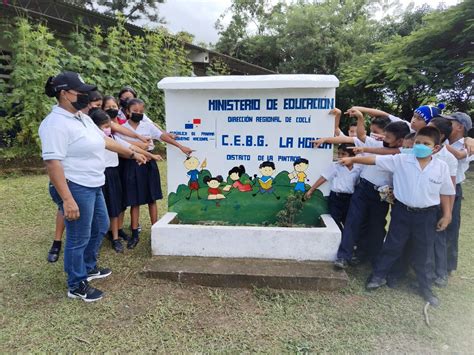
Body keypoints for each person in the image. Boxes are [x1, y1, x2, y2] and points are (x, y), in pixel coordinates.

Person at [40, 71, 147, 302]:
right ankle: (76, 283)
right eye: (80, 92)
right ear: (64, 94)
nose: (85, 96)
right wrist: (67, 199)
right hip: (75, 186)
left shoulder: (82, 117)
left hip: (94, 182)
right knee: (78, 236)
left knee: (101, 225)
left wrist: (132, 152)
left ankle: (88, 266)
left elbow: (104, 140)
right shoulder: (55, 124)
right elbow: (52, 162)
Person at [339, 126, 455, 306]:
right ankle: (378, 276)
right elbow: (375, 160)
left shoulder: (441, 167)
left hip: (427, 215)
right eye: (417, 143)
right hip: (402, 212)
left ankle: (425, 287)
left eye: (426, 144)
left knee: (424, 252)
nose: (420, 146)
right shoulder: (401, 160)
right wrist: (353, 158)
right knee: (392, 245)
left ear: (436, 148)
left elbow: (446, 192)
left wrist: (447, 215)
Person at [334, 108, 410, 269]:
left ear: (400, 140)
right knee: (353, 221)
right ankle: (343, 256)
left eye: (388, 137)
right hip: (363, 188)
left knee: (376, 226)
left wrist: (363, 151)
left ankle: (372, 257)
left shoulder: (403, 154)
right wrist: (361, 118)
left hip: (382, 194)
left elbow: (386, 152)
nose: (384, 138)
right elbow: (362, 136)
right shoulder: (378, 143)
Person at [89, 108, 162, 253]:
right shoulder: (92, 141)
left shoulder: (113, 139)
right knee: (98, 212)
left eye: (109, 126)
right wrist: (137, 153)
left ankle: (115, 238)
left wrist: (149, 155)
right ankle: (95, 242)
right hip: (98, 175)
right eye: (105, 127)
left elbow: (130, 147)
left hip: (113, 173)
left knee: (116, 208)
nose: (108, 129)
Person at [117, 98, 167, 249]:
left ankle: (155, 229)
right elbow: (125, 148)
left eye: (141, 111)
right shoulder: (122, 128)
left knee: (152, 198)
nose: (138, 114)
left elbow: (161, 135)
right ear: (127, 111)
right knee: (135, 200)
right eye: (135, 111)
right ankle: (135, 233)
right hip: (132, 164)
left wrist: (174, 140)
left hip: (149, 164)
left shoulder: (147, 126)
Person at [304, 144, 362, 232]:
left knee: (348, 221)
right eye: (339, 154)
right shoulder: (336, 166)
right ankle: (340, 236)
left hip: (349, 199)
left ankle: (346, 240)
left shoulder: (358, 168)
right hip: (336, 198)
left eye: (343, 154)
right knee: (335, 220)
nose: (340, 157)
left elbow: (358, 183)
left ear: (352, 156)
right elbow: (324, 178)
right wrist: (311, 190)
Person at [444, 112, 472, 274]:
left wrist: (439, 141)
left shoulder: (468, 145)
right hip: (437, 187)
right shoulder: (445, 140)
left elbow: (461, 156)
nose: (446, 125)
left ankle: (448, 266)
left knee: (451, 226)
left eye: (450, 123)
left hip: (454, 189)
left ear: (460, 127)